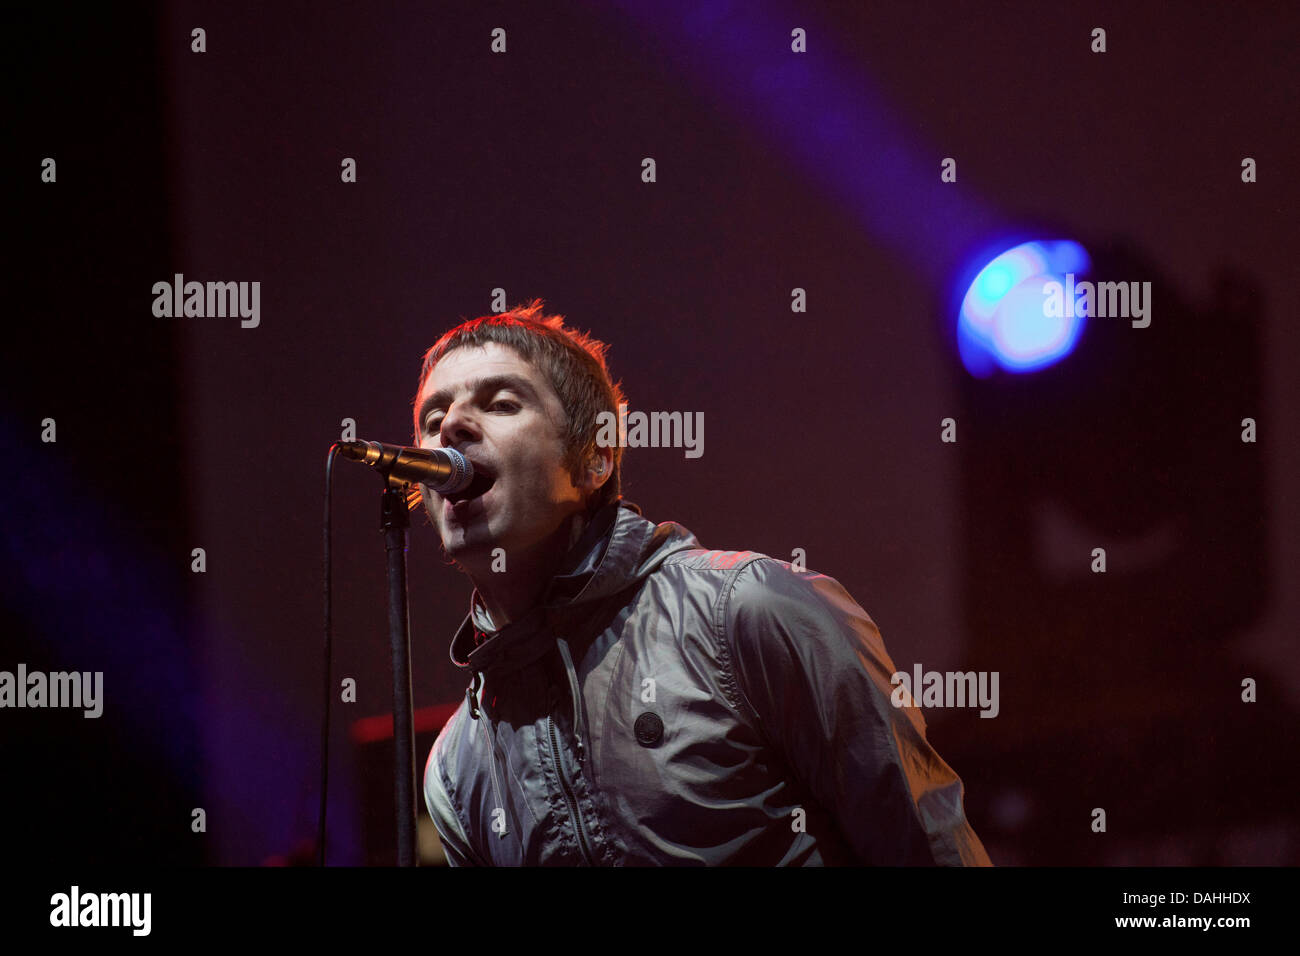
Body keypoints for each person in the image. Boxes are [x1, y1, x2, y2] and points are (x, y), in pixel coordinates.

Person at [416, 299, 991, 866]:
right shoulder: (455, 767)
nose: (453, 428)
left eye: (501, 403)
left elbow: (928, 845)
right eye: (433, 420)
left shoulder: (749, 610)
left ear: (594, 457)